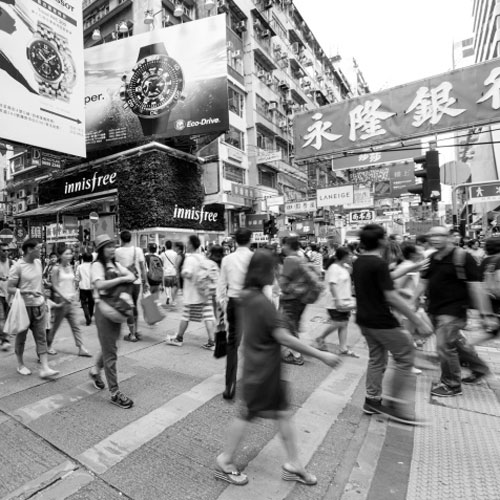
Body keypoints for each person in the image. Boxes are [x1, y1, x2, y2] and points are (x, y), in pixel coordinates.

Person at [215, 249, 342, 487]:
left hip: (264, 368)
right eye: (275, 268)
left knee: (281, 414)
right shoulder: (260, 302)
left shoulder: (248, 296)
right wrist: (321, 354)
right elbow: (284, 337)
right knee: (248, 413)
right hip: (262, 371)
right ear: (265, 271)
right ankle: (225, 460)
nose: (278, 272)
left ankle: (294, 464)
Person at [352, 224, 432, 425]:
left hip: (364, 320)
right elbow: (391, 297)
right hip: (381, 321)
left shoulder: (359, 262)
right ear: (382, 241)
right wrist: (416, 320)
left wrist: (412, 267)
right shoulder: (377, 264)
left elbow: (382, 279)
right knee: (406, 355)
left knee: (377, 360)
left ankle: (372, 400)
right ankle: (395, 405)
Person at [415, 226, 494, 396]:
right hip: (434, 308)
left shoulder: (463, 257)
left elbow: (475, 288)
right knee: (455, 344)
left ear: (450, 237)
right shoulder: (432, 258)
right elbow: (423, 282)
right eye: (432, 236)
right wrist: (412, 301)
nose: (435, 239)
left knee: (444, 346)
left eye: (439, 235)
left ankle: (451, 384)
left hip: (454, 310)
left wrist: (485, 314)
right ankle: (479, 368)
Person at [89, 234, 136, 408]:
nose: (112, 249)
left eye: (113, 246)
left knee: (110, 347)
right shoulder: (97, 266)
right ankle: (114, 392)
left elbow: (131, 275)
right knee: (111, 353)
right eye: (108, 246)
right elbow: (99, 285)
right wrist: (122, 279)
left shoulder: (115, 264)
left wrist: (125, 277)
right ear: (101, 250)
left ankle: (95, 371)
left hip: (116, 311)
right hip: (104, 312)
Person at [7, 239, 59, 379]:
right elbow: (10, 288)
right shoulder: (18, 266)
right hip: (23, 308)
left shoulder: (38, 263)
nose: (41, 251)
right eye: (39, 248)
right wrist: (27, 292)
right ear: (30, 250)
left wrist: (45, 301)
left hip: (39, 305)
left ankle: (45, 367)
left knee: (41, 337)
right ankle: (20, 365)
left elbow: (39, 283)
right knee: (21, 338)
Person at [217, 228, 253, 400]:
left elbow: (221, 286)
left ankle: (229, 386)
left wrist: (224, 305)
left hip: (234, 303)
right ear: (250, 240)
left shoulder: (227, 259)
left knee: (233, 344)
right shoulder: (255, 258)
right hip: (253, 303)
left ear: (235, 241)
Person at [165, 235, 216, 349]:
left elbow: (187, 273)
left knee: (185, 316)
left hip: (193, 294)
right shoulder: (202, 257)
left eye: (188, 243)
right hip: (204, 292)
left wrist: (183, 273)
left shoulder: (190, 259)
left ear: (191, 245)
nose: (186, 245)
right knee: (208, 316)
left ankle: (178, 338)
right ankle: (212, 342)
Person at [279, 236, 320, 366]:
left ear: (288, 246)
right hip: (301, 299)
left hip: (290, 299)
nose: (282, 247)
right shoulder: (301, 258)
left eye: (283, 245)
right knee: (293, 326)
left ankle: (297, 356)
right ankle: (294, 351)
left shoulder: (289, 260)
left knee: (289, 328)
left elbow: (284, 284)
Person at [47, 248, 91, 357]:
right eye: (66, 254)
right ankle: (48, 345)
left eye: (70, 254)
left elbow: (72, 282)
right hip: (60, 301)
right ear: (60, 255)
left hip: (71, 300)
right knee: (56, 325)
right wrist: (64, 297)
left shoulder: (71, 267)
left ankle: (81, 347)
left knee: (75, 325)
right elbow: (55, 286)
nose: (69, 256)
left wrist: (74, 292)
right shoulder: (56, 269)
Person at [314, 247, 358, 357]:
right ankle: (321, 338)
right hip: (334, 301)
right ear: (343, 256)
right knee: (339, 322)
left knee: (344, 324)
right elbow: (332, 285)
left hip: (345, 300)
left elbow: (351, 273)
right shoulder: (334, 268)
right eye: (348, 255)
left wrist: (348, 265)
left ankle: (343, 347)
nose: (350, 257)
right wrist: (337, 299)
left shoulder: (344, 267)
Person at [115, 230, 148, 342]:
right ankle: (136, 330)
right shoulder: (137, 250)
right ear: (131, 239)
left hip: (125, 283)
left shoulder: (117, 251)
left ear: (121, 239)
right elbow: (143, 268)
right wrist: (146, 281)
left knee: (129, 307)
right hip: (137, 282)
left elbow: (115, 268)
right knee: (134, 306)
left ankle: (132, 335)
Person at [75, 252, 95, 326]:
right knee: (91, 303)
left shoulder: (80, 267)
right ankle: (90, 314)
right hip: (92, 287)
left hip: (82, 287)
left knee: (83, 303)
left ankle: (87, 316)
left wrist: (76, 286)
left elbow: (77, 277)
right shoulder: (93, 266)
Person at [0, 243, 12, 350]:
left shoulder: (11, 263)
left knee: (8, 318)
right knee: (2, 317)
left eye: (7, 250)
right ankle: (5, 339)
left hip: (9, 295)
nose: (5, 252)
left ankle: (3, 335)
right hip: (0, 294)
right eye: (3, 250)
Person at [160, 241, 178, 305]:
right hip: (173, 272)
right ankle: (173, 301)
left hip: (166, 272)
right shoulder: (175, 253)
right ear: (171, 246)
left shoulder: (163, 254)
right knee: (173, 287)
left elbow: (161, 263)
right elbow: (176, 263)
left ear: (165, 246)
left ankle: (168, 296)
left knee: (167, 286)